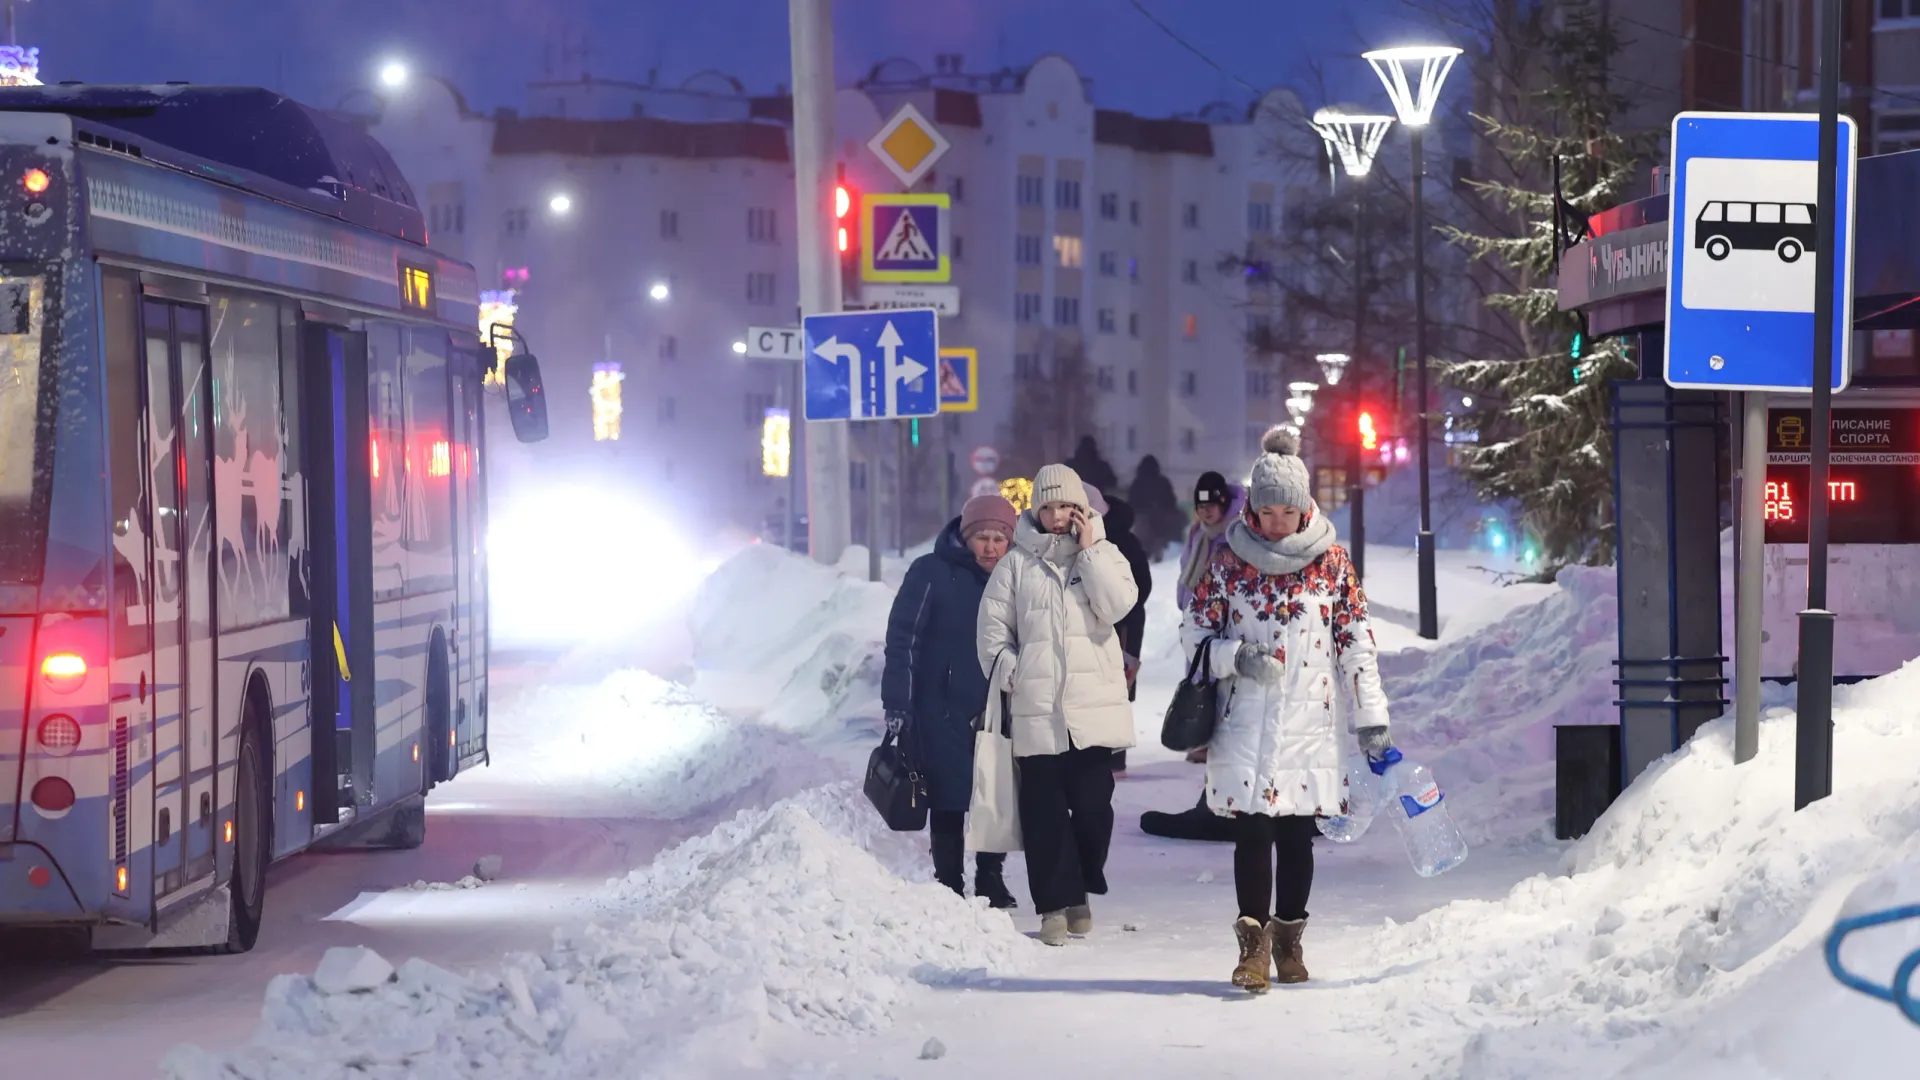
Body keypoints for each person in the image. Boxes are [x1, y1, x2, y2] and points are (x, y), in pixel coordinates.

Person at [1181, 427, 1394, 993]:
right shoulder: (1226, 562)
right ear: (1250, 507)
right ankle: (1252, 950)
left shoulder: (1332, 564)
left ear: (1304, 509)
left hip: (1309, 722)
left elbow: (1355, 640)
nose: (1275, 522)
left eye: (1285, 511)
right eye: (1265, 510)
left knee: (1298, 836)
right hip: (1245, 718)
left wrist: (1371, 714)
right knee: (1252, 834)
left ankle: (1289, 940)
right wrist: (1236, 657)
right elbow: (1194, 632)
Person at [978, 464, 1139, 946]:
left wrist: (1088, 552)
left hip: (1092, 712)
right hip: (1037, 710)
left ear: (1081, 509)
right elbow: (991, 632)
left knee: (1094, 809)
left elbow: (1116, 607)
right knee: (1044, 814)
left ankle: (1081, 887)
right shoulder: (1015, 564)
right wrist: (1014, 671)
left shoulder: (1105, 554)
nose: (1055, 516)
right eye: (1046, 507)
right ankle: (1053, 905)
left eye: (1065, 506)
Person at [882, 494, 1021, 910]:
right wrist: (899, 702)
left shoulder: (1015, 578)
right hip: (939, 707)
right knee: (948, 795)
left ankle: (990, 877)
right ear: (966, 537)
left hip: (996, 706)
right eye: (982, 537)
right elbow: (903, 639)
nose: (991, 547)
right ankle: (948, 880)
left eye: (999, 538)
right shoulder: (931, 572)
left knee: (994, 794)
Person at [1137, 469, 1248, 844]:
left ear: (1223, 503)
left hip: (1228, 632)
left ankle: (1225, 790)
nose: (1205, 513)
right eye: (1200, 506)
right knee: (1201, 691)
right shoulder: (1199, 534)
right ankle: (1204, 749)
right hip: (1199, 626)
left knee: (1224, 699)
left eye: (1211, 505)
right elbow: (1189, 571)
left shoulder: (1237, 531)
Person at [1085, 484, 1153, 777]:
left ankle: (1115, 758)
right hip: (1092, 625)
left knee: (1118, 688)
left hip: (1123, 626)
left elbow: (1143, 584)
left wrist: (1119, 606)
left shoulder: (1123, 540)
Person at [1126, 454, 1184, 554]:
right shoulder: (1145, 483)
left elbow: (1171, 500)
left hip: (1158, 516)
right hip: (1147, 517)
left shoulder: (1141, 483)